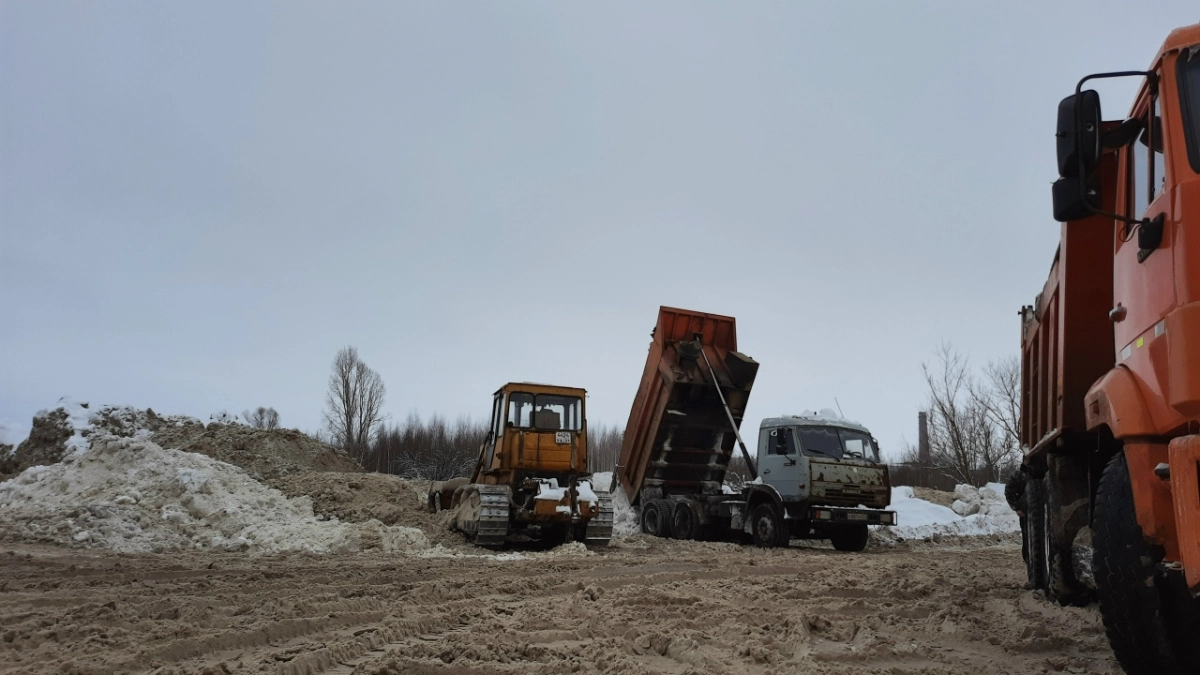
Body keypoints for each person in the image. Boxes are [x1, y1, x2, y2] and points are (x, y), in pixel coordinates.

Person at [1005, 465, 1029, 564]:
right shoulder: (1019, 475)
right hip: (1025, 513)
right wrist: (1017, 508)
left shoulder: (1042, 472)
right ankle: (1027, 559)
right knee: (1027, 537)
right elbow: (1009, 491)